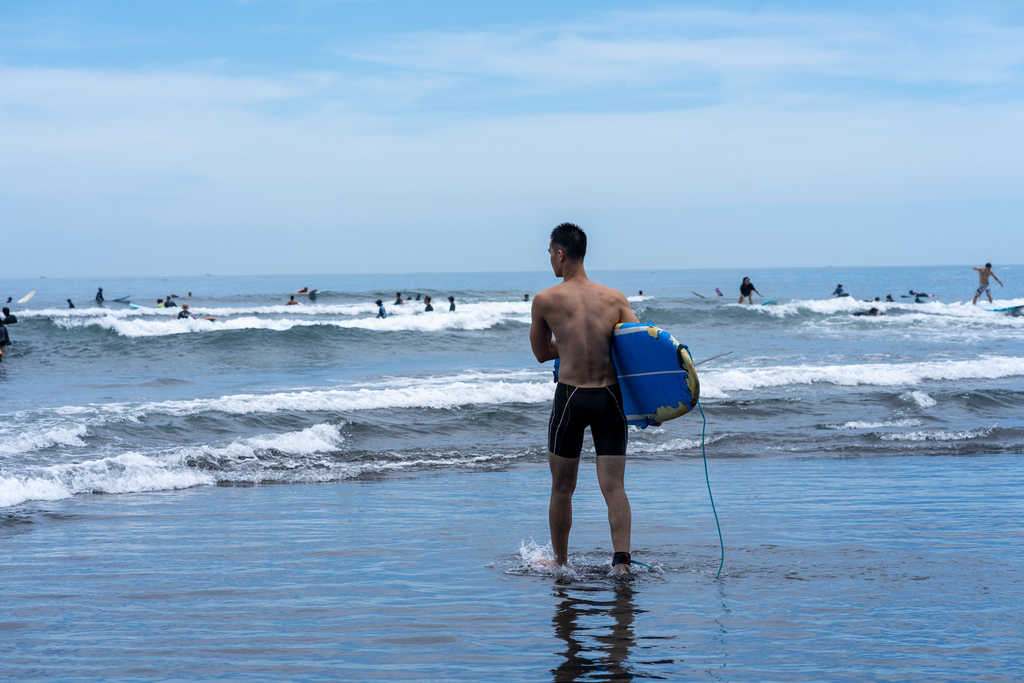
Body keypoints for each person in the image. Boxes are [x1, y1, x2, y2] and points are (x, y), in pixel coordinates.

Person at [530, 223, 640, 575]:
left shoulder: (546, 300)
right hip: (610, 398)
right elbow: (636, 347)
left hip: (571, 397)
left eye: (550, 253)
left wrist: (568, 341)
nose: (550, 260)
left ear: (560, 254)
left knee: (562, 487)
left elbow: (541, 353)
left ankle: (561, 563)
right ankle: (621, 563)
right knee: (614, 486)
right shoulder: (615, 298)